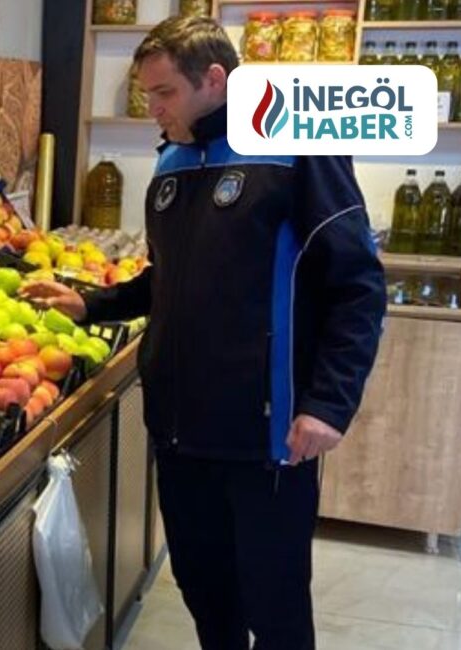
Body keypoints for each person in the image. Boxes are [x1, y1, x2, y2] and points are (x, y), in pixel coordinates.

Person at [22, 16, 386, 650]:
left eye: (163, 94)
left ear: (214, 80)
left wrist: (329, 404)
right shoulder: (171, 162)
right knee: (205, 593)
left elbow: (357, 283)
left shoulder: (295, 148)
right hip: (179, 431)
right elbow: (166, 279)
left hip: (268, 437)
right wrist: (91, 304)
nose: (153, 110)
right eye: (146, 96)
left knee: (274, 611)